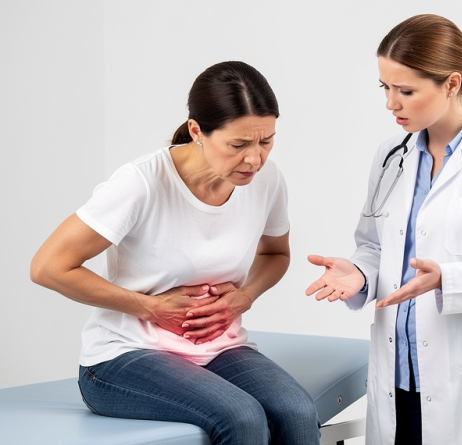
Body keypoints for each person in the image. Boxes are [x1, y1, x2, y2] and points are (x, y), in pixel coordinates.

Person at [30, 61, 319, 445]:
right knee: (242, 417)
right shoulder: (141, 184)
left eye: (266, 141)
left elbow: (276, 254)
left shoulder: (266, 180)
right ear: (197, 131)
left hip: (219, 347)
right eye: (238, 145)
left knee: (298, 412)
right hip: (124, 356)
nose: (255, 159)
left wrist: (245, 296)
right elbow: (48, 267)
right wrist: (150, 307)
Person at [305, 14, 462, 445]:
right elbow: (374, 246)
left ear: (452, 84)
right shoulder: (392, 157)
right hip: (399, 378)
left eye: (405, 91)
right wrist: (359, 273)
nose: (391, 103)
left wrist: (448, 279)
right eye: (385, 87)